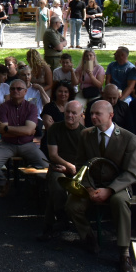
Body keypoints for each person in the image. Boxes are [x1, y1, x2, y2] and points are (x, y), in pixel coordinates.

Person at [63, 100, 136, 272]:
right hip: (92, 183)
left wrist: (110, 190)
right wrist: (89, 189)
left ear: (110, 115)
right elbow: (81, 164)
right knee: (71, 205)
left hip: (117, 185)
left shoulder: (128, 137)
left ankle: (124, 253)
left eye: (98, 114)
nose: (93, 117)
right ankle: (89, 238)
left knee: (121, 204)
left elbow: (130, 172)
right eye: (91, 114)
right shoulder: (86, 134)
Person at [0, 79, 48, 198]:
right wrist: (23, 131)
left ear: (25, 91)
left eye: (19, 89)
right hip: (7, 144)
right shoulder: (3, 107)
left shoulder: (31, 107)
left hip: (28, 145)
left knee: (46, 168)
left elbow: (28, 130)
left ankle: (35, 186)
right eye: (13, 89)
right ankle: (3, 184)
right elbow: (3, 131)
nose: (15, 91)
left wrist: (8, 129)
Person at [38, 101, 85, 241]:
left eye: (74, 113)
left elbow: (85, 158)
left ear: (81, 115)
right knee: (57, 183)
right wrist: (67, 167)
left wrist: (72, 168)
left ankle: (52, 226)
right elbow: (53, 155)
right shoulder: (55, 129)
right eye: (67, 112)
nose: (70, 115)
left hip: (78, 170)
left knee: (55, 192)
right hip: (58, 167)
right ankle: (63, 218)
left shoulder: (85, 133)